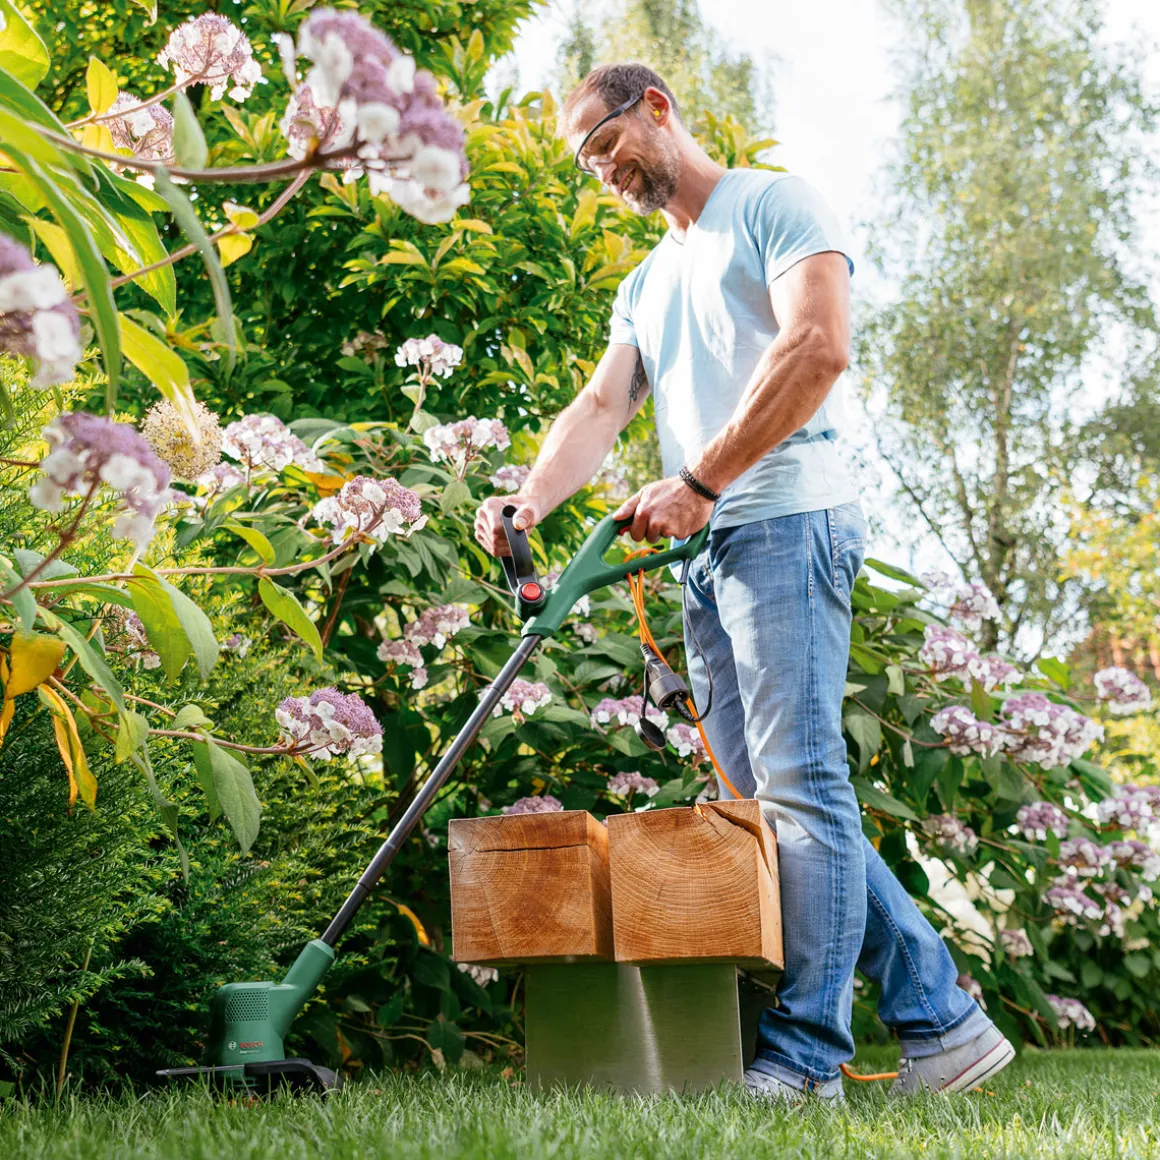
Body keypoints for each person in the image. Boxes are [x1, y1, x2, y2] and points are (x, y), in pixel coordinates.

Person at [474, 63, 1015, 1102]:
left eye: (606, 143)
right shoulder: (648, 281)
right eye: (586, 162)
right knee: (768, 801)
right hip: (705, 550)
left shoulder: (775, 205)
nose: (602, 170)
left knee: (801, 787)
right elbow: (600, 407)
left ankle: (806, 1056)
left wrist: (698, 481)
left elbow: (817, 347)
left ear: (656, 108)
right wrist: (528, 503)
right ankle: (941, 1022)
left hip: (785, 520)